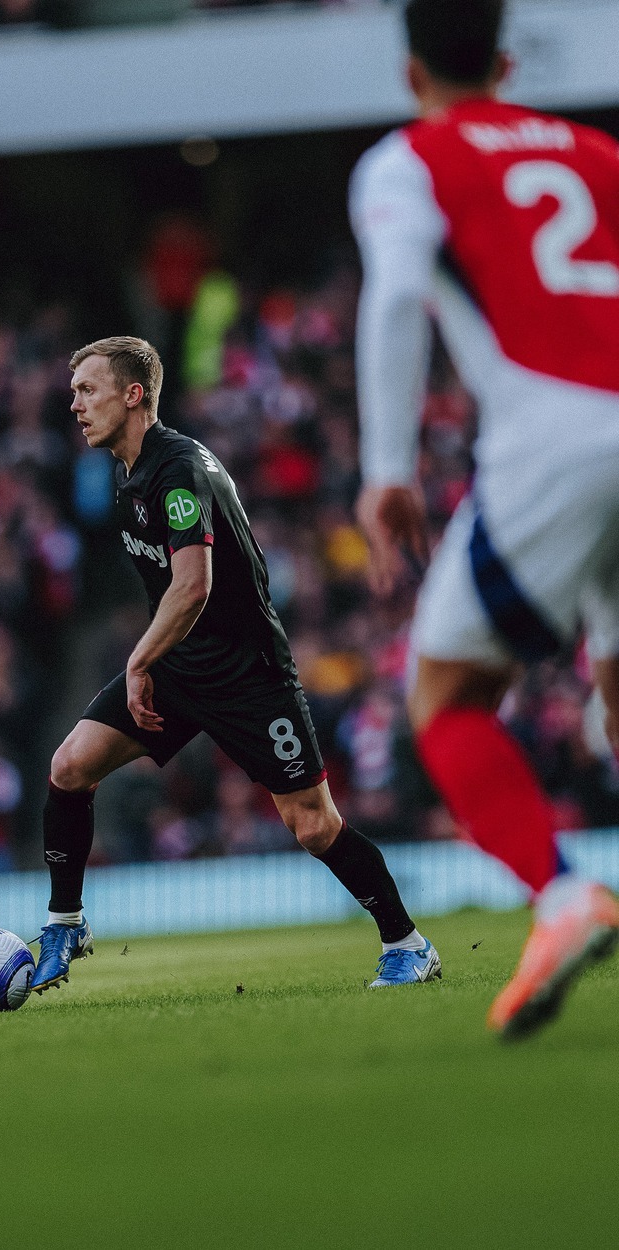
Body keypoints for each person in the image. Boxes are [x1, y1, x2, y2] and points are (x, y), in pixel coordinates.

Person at [351, 0, 619, 1040]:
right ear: (506, 62)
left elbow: (394, 295)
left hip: (555, 441)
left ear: (412, 70)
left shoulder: (409, 158)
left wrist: (385, 467)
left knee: (448, 696)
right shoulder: (598, 152)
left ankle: (563, 896)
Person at [31, 336, 440, 993]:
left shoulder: (178, 469)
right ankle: (65, 921)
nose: (75, 404)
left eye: (87, 390)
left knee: (312, 825)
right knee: (69, 766)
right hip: (181, 667)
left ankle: (408, 943)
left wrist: (138, 660)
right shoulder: (126, 469)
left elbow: (193, 585)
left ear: (134, 395)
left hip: (247, 674)